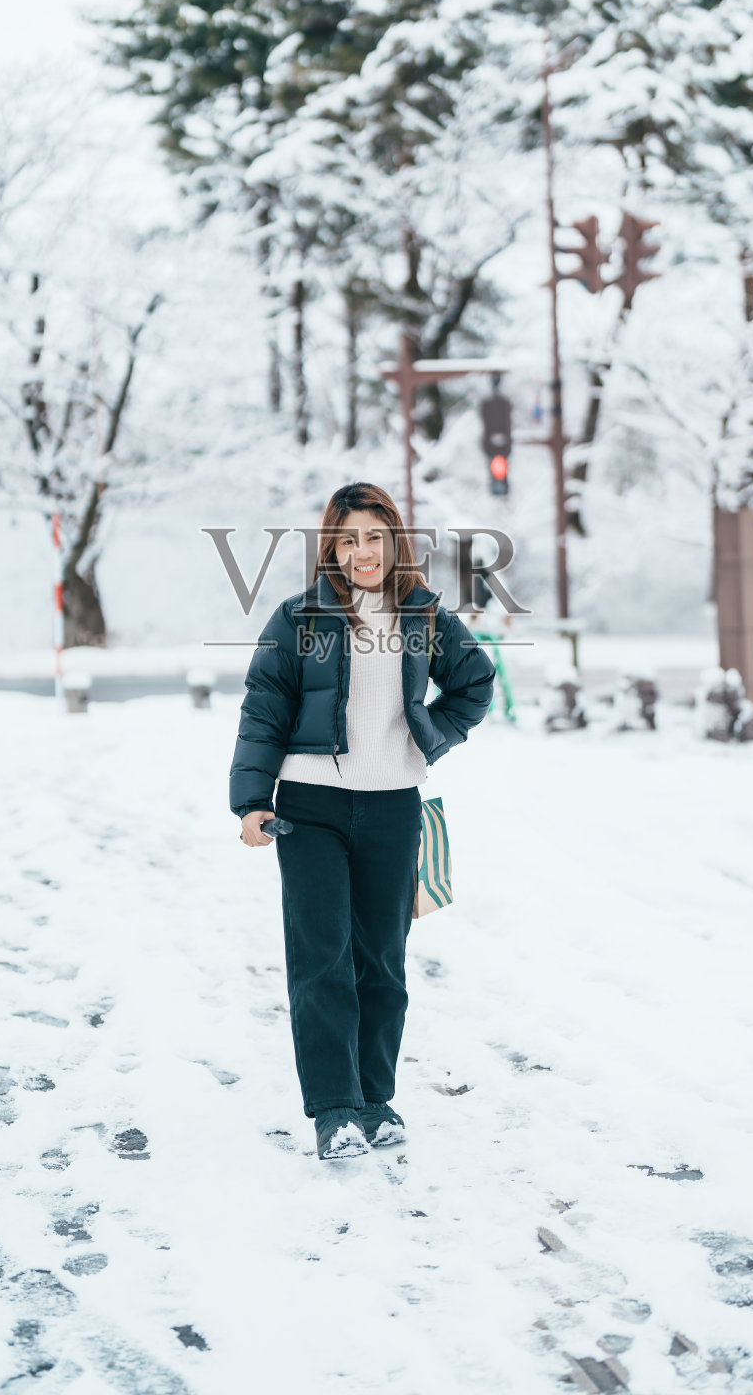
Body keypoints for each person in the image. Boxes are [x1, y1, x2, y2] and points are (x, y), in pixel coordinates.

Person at [229, 482, 497, 1160]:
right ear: (331, 547)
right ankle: (334, 1110)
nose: (362, 551)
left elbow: (474, 683)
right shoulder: (299, 618)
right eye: (347, 539)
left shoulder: (423, 615)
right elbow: (264, 710)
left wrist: (426, 734)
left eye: (374, 536)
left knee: (382, 963)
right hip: (309, 809)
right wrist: (252, 801)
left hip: (393, 807)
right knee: (322, 961)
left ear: (393, 540)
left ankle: (375, 1101)